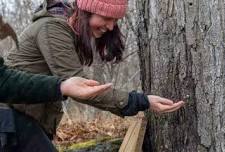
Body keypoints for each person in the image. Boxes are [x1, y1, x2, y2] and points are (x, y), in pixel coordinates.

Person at [4, 0, 185, 151]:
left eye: (115, 20)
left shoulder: (67, 30)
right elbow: (81, 88)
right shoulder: (53, 29)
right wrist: (140, 101)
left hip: (19, 122)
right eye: (106, 18)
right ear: (85, 11)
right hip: (9, 121)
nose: (111, 26)